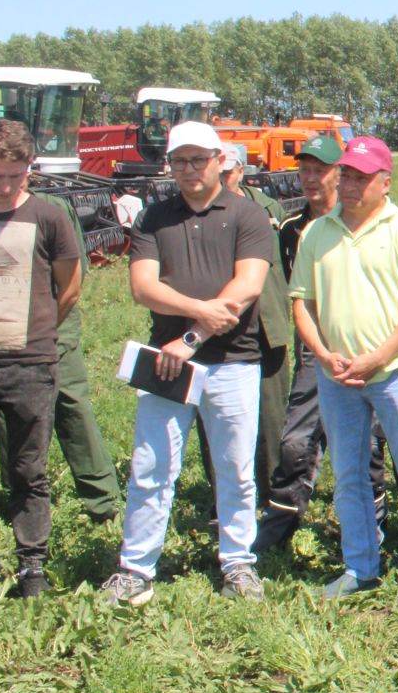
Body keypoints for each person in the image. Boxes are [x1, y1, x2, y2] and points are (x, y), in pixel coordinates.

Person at [102, 122, 274, 606]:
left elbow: (248, 286)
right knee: (152, 467)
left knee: (236, 468)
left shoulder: (247, 215)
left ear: (220, 160)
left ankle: (238, 563)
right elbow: (143, 288)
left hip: (233, 361)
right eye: (180, 160)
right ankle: (136, 570)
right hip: (165, 361)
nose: (189, 169)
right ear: (169, 164)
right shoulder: (153, 219)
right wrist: (199, 314)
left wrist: (192, 337)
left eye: (198, 159)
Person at [290, 137, 398, 601]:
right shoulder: (318, 233)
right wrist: (323, 354)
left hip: (395, 371)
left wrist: (378, 356)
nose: (351, 185)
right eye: (346, 176)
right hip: (337, 376)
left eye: (362, 177)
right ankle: (360, 567)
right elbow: (302, 302)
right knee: (349, 475)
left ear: (385, 182)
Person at [255, 135, 386, 552]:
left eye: (321, 171)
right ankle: (280, 525)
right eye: (304, 170)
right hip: (316, 350)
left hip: (368, 348)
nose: (310, 179)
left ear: (340, 174)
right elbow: (296, 297)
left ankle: (371, 530)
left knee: (368, 445)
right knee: (297, 440)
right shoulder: (293, 229)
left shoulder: (365, 220)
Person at [0, 120, 84, 597]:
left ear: (30, 168)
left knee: (28, 468)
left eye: (15, 175)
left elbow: (68, 288)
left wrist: (36, 331)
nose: (6, 186)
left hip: (29, 363)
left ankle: (32, 567)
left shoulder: (48, 217)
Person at [0, 181, 121, 527]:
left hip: (50, 318)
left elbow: (73, 276)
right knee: (10, 413)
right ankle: (19, 494)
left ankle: (102, 499)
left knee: (69, 402)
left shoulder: (50, 209)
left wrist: (48, 327)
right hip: (0, 327)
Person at [208, 143, 291, 511]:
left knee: (273, 416)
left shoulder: (268, 209)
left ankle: (276, 493)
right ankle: (226, 499)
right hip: (219, 330)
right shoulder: (201, 213)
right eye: (217, 173)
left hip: (267, 323)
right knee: (219, 420)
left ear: (241, 171)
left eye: (227, 174)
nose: (221, 181)